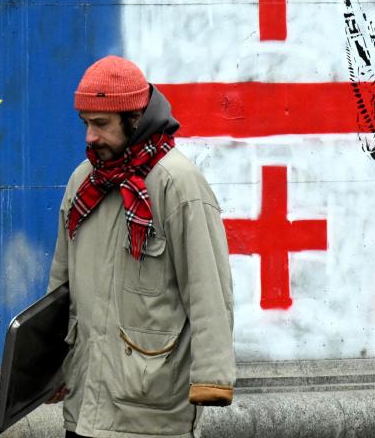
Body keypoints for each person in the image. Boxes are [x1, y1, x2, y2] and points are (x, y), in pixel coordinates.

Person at [45, 55, 235, 437]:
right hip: (84, 406)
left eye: (101, 124)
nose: (89, 137)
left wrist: (213, 378)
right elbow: (61, 286)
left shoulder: (178, 184)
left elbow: (208, 289)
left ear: (134, 119)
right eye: (85, 123)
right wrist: (49, 366)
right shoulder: (84, 182)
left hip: (151, 410)